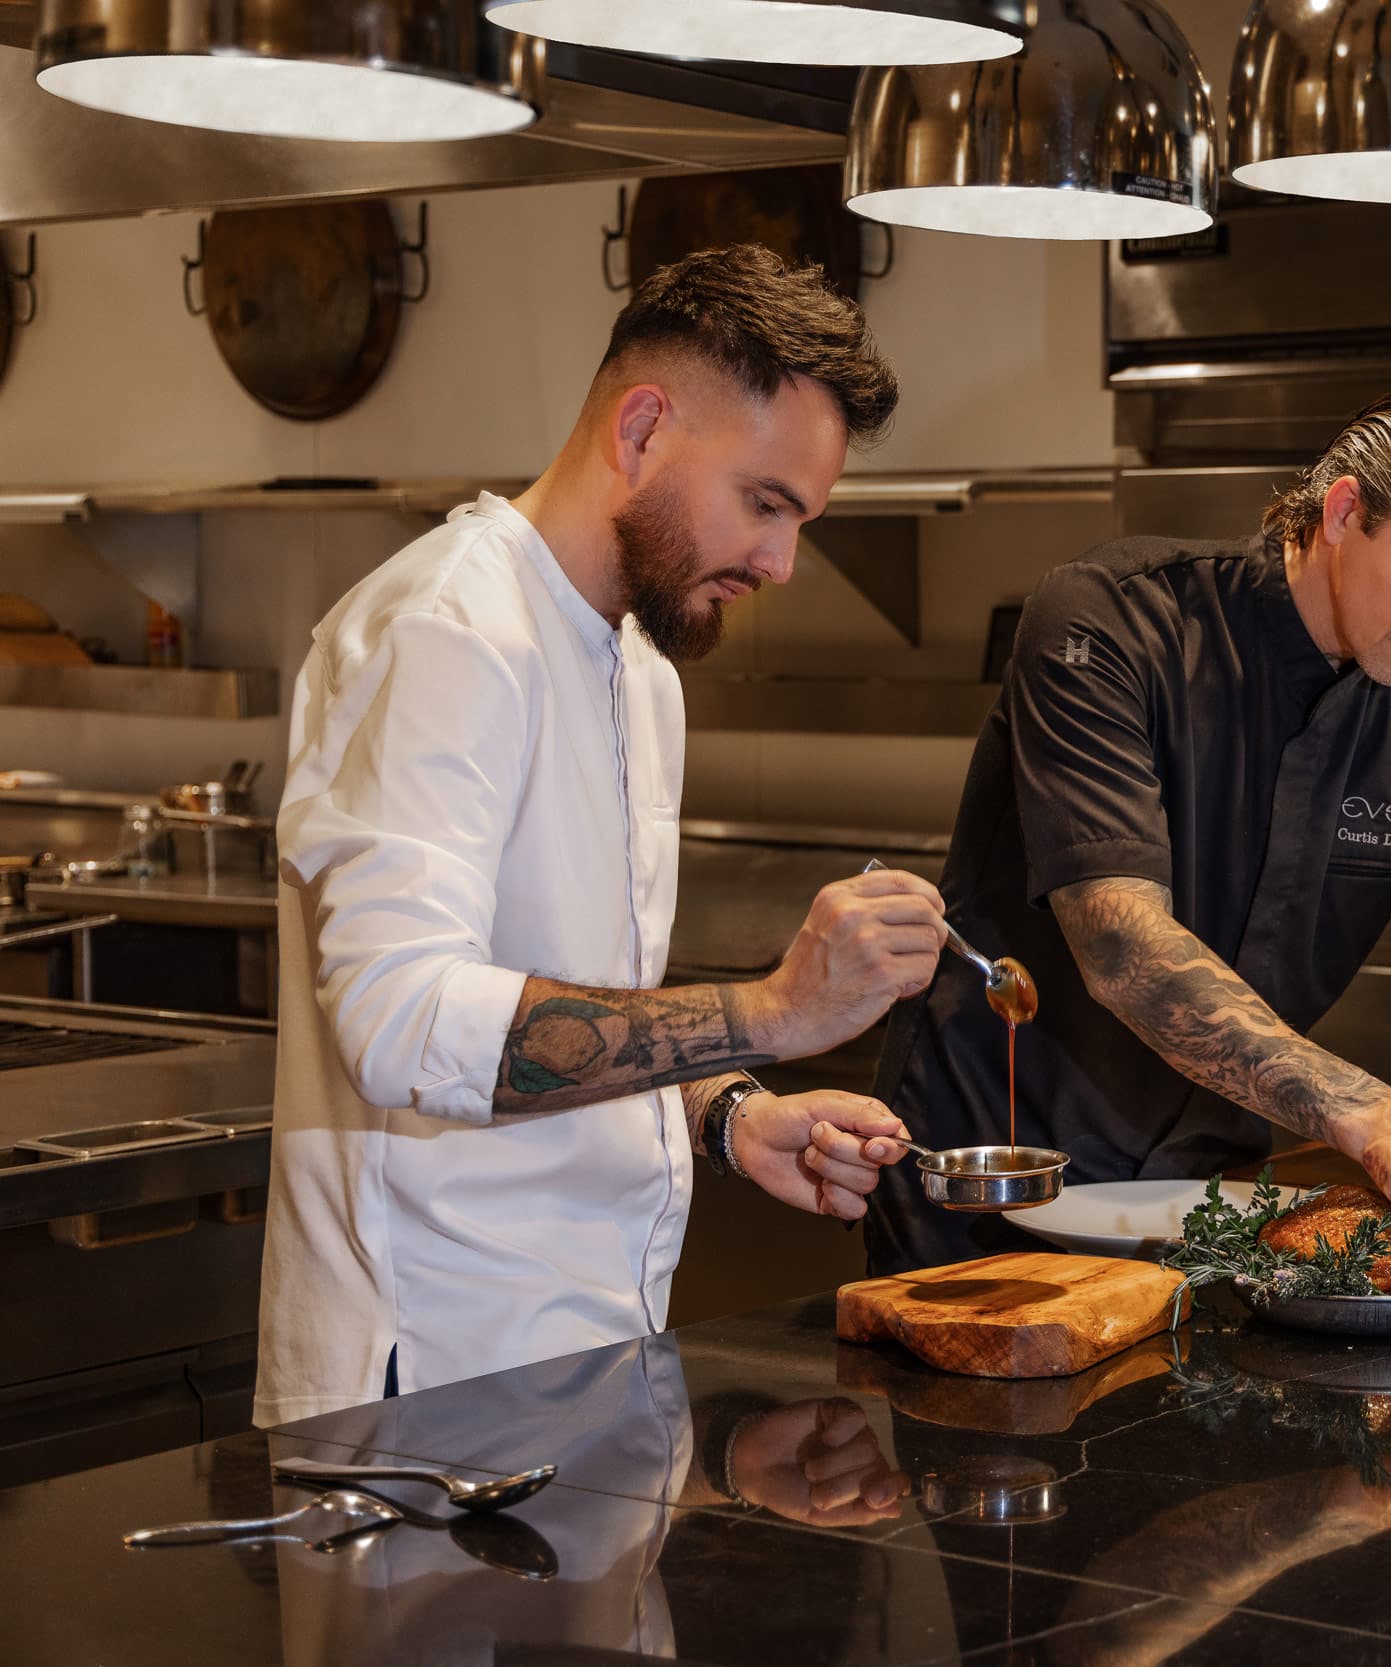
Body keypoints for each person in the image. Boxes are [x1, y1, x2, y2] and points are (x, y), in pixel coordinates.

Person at [255, 246, 942, 1426]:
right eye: (764, 503)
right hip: (430, 1379)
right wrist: (770, 1012)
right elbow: (401, 1019)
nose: (780, 562)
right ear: (642, 430)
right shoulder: (448, 629)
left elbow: (578, 1004)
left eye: (800, 519)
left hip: (595, 1357)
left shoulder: (640, 665)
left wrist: (729, 1113)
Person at [872, 372, 1391, 1314]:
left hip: (1217, 1204)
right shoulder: (1108, 622)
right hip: (995, 1185)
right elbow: (1123, 947)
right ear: (1344, 513)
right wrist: (1371, 1113)